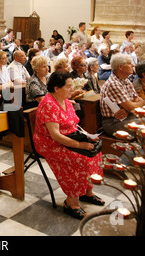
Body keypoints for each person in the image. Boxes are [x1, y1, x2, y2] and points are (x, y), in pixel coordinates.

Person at [33, 70, 104, 220]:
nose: (72, 89)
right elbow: (56, 135)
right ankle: (71, 202)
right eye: (68, 86)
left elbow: (73, 124)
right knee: (81, 159)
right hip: (50, 143)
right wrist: (81, 145)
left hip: (69, 137)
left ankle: (87, 192)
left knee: (96, 153)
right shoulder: (48, 104)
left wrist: (87, 139)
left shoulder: (64, 99)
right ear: (56, 88)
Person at [100, 54, 145, 137]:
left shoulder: (126, 80)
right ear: (120, 67)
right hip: (114, 122)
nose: (132, 65)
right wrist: (130, 107)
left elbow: (141, 101)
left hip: (128, 117)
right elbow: (133, 106)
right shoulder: (113, 84)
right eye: (129, 63)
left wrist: (128, 110)